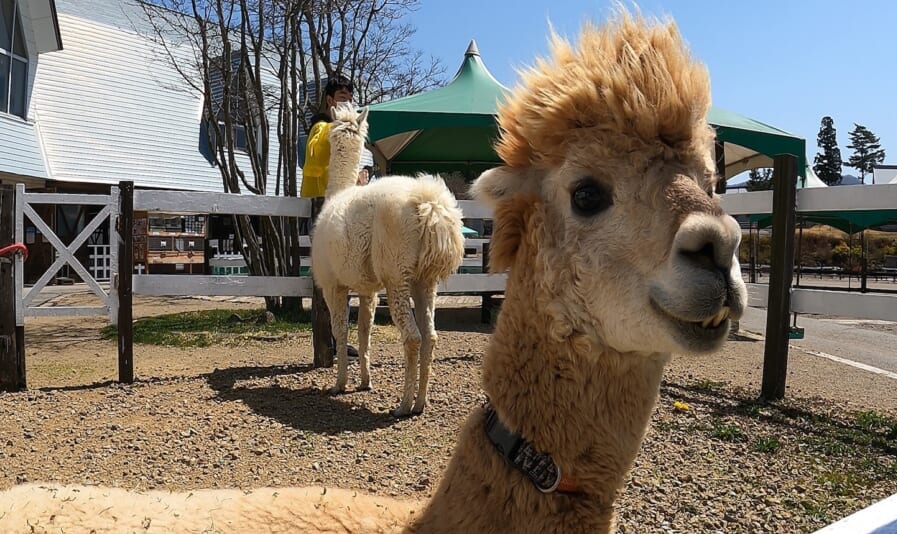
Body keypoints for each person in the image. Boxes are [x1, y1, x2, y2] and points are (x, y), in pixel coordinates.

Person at [301, 74, 359, 358]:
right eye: (340, 96)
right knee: (327, 277)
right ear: (329, 99)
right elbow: (313, 162)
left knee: (342, 275)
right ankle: (328, 341)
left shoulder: (348, 129)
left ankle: (338, 338)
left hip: (341, 211)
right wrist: (337, 129)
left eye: (349, 96)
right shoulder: (321, 128)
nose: (346, 100)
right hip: (322, 209)